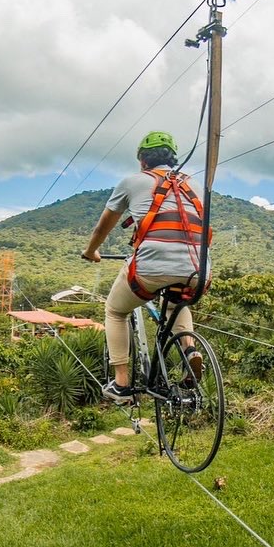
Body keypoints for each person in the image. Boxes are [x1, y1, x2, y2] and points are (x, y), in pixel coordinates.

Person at [82, 131, 210, 402]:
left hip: (151, 267)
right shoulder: (195, 185)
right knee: (178, 305)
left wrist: (91, 252)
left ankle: (121, 384)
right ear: (172, 159)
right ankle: (189, 350)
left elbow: (103, 225)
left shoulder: (132, 182)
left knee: (115, 310)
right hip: (197, 269)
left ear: (142, 161)